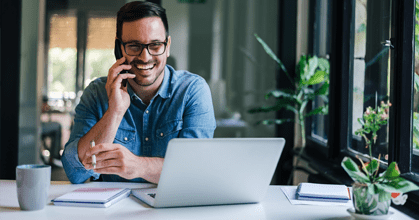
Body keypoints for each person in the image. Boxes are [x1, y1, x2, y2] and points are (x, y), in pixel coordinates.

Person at [61, 1, 216, 184]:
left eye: (155, 45)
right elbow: (75, 173)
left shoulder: (192, 91)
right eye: (134, 46)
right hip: (112, 211)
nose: (145, 57)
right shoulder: (96, 93)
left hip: (172, 209)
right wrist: (115, 112)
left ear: (168, 46)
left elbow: (195, 171)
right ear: (119, 49)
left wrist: (138, 166)